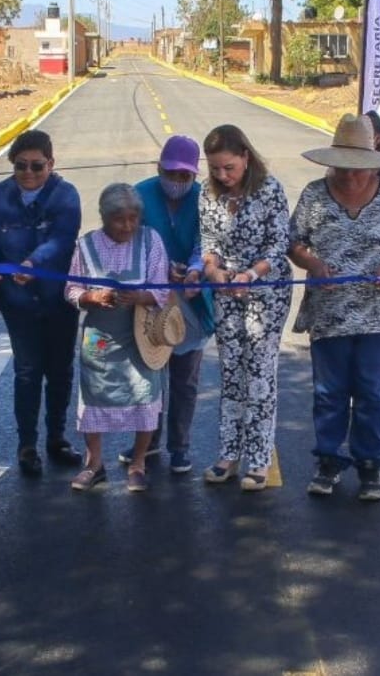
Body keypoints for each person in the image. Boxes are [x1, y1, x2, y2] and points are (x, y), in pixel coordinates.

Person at [289, 114, 380, 502]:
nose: (351, 175)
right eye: (344, 167)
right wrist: (314, 264)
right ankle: (328, 462)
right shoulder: (315, 195)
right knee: (329, 392)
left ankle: (370, 466)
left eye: (358, 168)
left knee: (370, 391)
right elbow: (294, 242)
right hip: (329, 312)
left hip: (377, 312)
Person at [0, 129, 83, 476]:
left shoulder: (65, 196)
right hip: (17, 301)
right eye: (21, 166)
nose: (29, 173)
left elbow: (62, 240)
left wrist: (33, 263)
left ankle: (57, 438)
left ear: (51, 163)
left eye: (37, 166)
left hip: (58, 300)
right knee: (26, 371)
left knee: (61, 371)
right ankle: (26, 445)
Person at [199, 125, 292, 492]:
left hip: (266, 291)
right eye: (215, 169)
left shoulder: (269, 190)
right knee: (231, 371)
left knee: (259, 373)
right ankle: (228, 454)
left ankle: (259, 459)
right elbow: (208, 240)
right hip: (226, 291)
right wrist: (214, 270)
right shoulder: (208, 194)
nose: (222, 175)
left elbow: (278, 244)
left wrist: (251, 274)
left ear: (245, 158)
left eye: (229, 168)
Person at [65, 183, 171, 493]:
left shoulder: (151, 241)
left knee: (144, 396)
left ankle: (137, 464)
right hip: (100, 337)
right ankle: (94, 464)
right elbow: (70, 290)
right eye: (118, 220)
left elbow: (163, 289)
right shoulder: (85, 246)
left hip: (142, 337)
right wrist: (91, 297)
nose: (127, 226)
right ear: (104, 218)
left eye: (133, 218)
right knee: (94, 396)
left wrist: (140, 296)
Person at [127, 135, 215, 474]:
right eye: (170, 173)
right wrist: (159, 269)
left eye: (185, 176)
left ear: (194, 175)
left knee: (184, 378)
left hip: (191, 300)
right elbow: (130, 241)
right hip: (149, 298)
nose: (177, 182)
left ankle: (180, 447)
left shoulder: (205, 199)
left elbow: (205, 241)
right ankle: (146, 444)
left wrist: (193, 270)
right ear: (158, 168)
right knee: (148, 376)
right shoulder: (139, 195)